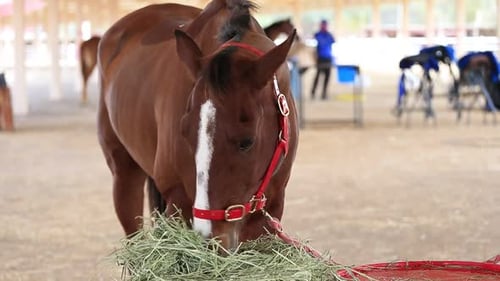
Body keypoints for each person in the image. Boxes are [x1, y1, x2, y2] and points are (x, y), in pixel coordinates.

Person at [311, 19, 335, 100]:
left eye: (325, 25)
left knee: (327, 77)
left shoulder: (330, 35)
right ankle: (313, 92)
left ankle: (324, 93)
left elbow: (333, 42)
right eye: (322, 25)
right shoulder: (317, 34)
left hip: (328, 58)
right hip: (320, 58)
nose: (324, 26)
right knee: (318, 76)